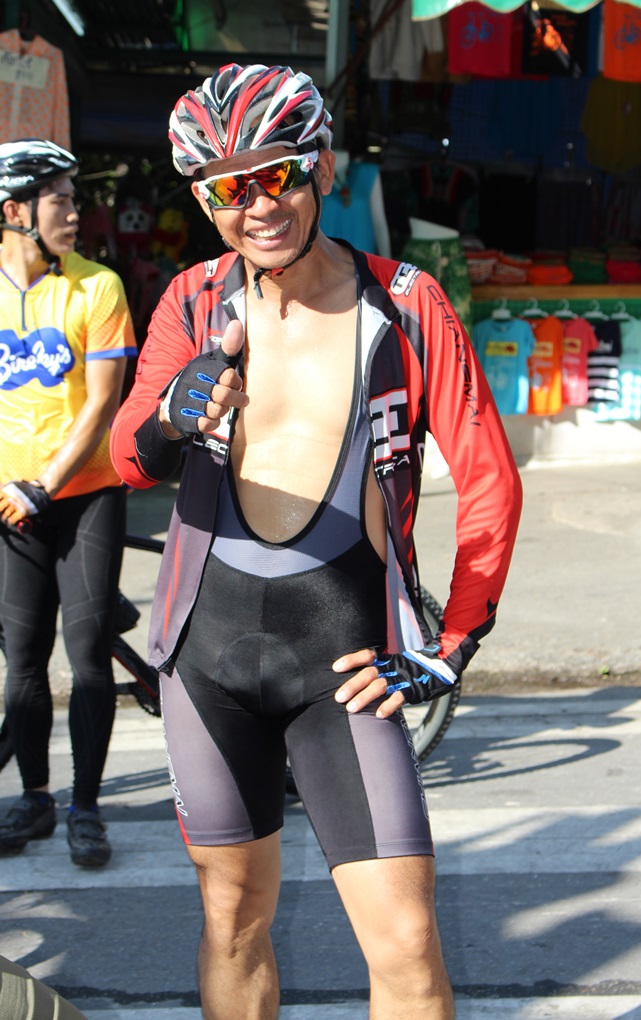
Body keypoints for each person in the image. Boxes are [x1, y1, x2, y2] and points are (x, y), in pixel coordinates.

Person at [110, 63, 522, 1019]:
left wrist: (451, 644)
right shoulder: (191, 301)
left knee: (408, 944)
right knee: (231, 918)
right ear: (204, 202)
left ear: (322, 168)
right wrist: (173, 414)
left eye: (277, 175)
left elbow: (490, 483)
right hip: (207, 661)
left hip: (345, 665)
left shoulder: (405, 304)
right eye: (227, 188)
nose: (257, 206)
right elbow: (128, 458)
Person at [0, 139, 137, 868]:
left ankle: (86, 806)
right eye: (60, 201)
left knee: (86, 657)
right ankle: (35, 799)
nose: (75, 213)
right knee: (23, 660)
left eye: (75, 200)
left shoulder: (98, 287)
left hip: (86, 497)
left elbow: (102, 406)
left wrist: (43, 484)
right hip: (10, 508)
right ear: (14, 210)